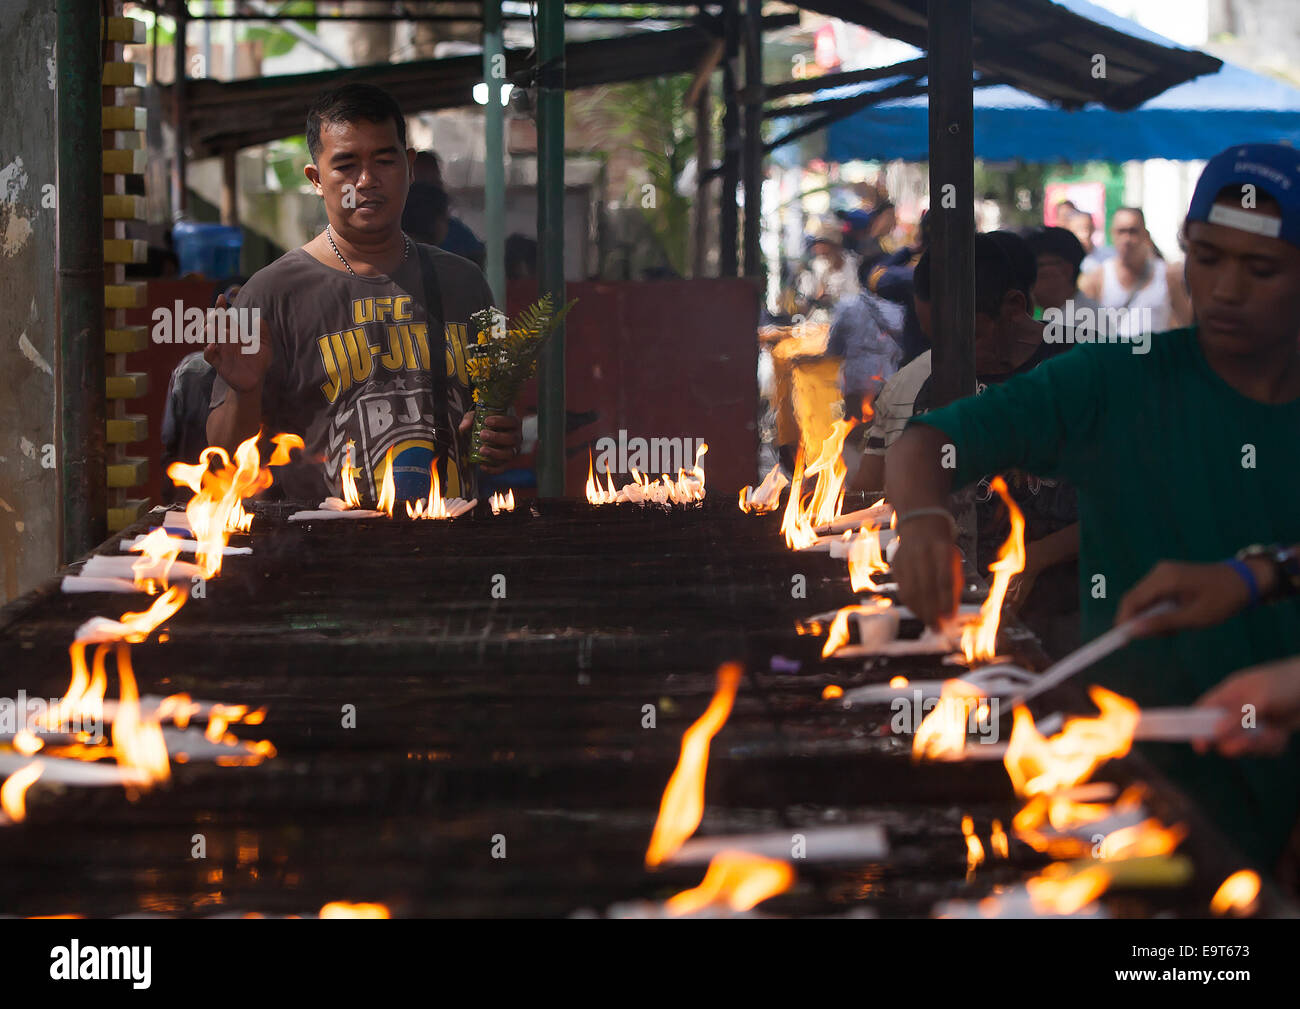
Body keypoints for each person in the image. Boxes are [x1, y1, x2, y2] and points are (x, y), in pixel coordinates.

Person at [883, 143, 1300, 869]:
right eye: (1206, 256)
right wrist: (922, 519)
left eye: (1260, 269)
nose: (1224, 288)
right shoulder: (1119, 383)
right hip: (1139, 805)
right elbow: (928, 444)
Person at [204, 82, 522, 505]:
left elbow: (497, 414)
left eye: (385, 160)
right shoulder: (271, 294)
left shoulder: (465, 283)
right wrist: (244, 389)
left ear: (409, 166)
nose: (367, 181)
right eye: (346, 165)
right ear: (316, 179)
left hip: (447, 547)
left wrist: (499, 435)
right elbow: (224, 458)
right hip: (325, 555)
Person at [850, 231, 1080, 655]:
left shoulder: (1078, 371)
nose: (952, 355)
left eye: (966, 337)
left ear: (1013, 307)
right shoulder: (939, 386)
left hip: (1077, 611)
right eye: (937, 338)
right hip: (976, 610)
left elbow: (1130, 501)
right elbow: (912, 460)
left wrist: (1035, 558)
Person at [1079, 206, 1192, 338]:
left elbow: (1187, 324)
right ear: (1112, 234)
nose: (1127, 239)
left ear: (1145, 235)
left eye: (1133, 231)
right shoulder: (1096, 278)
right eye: (1121, 231)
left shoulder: (1167, 276)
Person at [825, 252, 906, 422]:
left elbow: (834, 347)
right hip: (888, 382)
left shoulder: (847, 306)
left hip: (855, 383)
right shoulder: (901, 310)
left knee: (854, 433)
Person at [794, 221, 859, 314]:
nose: (819, 250)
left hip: (846, 316)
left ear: (834, 246)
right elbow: (806, 297)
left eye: (823, 245)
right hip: (821, 318)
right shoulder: (817, 265)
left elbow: (854, 295)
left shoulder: (850, 264)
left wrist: (834, 299)